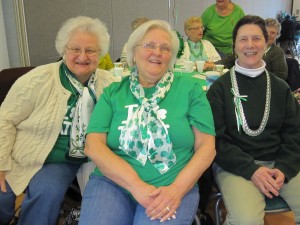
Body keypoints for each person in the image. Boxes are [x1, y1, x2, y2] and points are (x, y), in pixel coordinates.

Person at [78, 20, 216, 225]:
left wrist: (176, 191)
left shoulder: (191, 90)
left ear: (171, 56)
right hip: (113, 183)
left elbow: (206, 147)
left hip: (171, 185)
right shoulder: (113, 93)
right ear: (133, 52)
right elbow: (93, 146)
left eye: (165, 48)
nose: (157, 52)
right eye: (149, 45)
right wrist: (136, 186)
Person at [0, 16, 117, 225]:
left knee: (47, 193)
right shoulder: (38, 79)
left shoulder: (110, 84)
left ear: (100, 54)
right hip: (25, 152)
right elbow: (5, 119)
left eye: (90, 50)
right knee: (1, 194)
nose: (82, 56)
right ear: (63, 49)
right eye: (75, 49)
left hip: (66, 160)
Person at [206, 15, 300, 225]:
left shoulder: (280, 88)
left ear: (266, 44)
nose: (250, 45)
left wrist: (284, 169)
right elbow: (216, 140)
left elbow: (294, 134)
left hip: (280, 165)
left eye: (257, 39)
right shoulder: (219, 89)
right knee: (246, 220)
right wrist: (252, 170)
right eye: (243, 39)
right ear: (234, 45)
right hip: (235, 166)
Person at [218, 18, 288, 80]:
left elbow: (280, 76)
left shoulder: (277, 52)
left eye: (273, 33)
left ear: (277, 35)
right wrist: (215, 64)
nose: (269, 35)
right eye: (266, 32)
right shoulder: (251, 47)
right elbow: (231, 60)